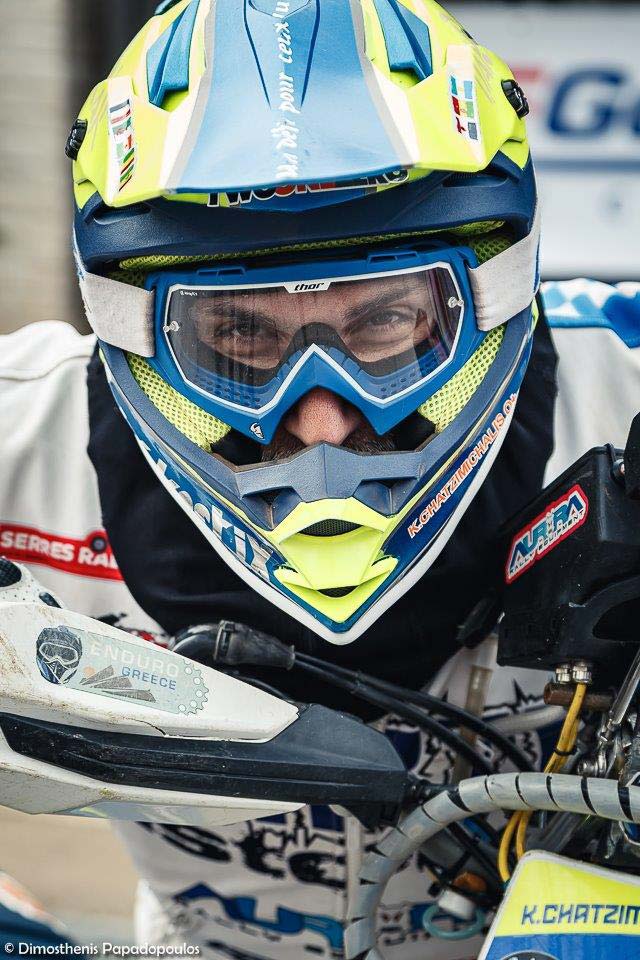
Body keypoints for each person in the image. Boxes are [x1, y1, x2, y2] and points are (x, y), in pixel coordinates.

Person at [1, 0, 639, 956]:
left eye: (385, 323)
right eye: (238, 334)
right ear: (131, 323)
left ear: (493, 287)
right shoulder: (21, 437)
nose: (322, 422)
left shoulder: (622, 390)